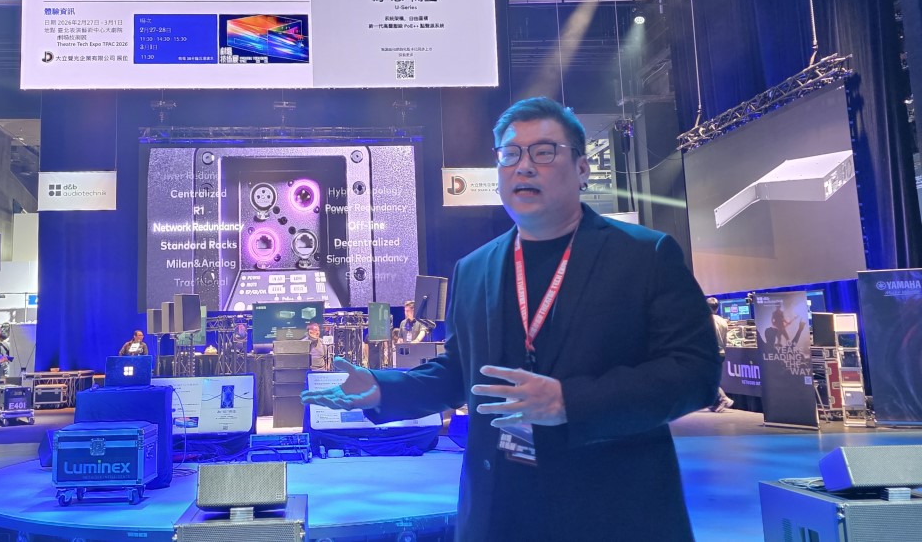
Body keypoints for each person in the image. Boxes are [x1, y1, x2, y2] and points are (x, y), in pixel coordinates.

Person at [302, 97, 721, 541]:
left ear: (582, 168)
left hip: (612, 507)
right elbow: (460, 372)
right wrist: (384, 389)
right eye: (510, 154)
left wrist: (570, 402)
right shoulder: (474, 269)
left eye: (544, 152)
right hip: (500, 509)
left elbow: (694, 372)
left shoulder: (644, 255)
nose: (524, 166)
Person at [707, 298, 734, 412]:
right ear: (717, 308)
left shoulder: (707, 320)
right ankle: (715, 403)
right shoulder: (723, 321)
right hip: (720, 353)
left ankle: (723, 398)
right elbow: (724, 340)